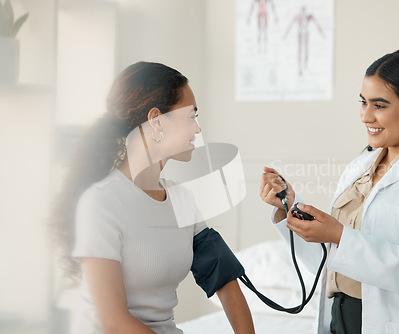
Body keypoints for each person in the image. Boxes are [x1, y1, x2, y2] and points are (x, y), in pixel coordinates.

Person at [260, 49, 399, 334]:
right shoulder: (359, 167)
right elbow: (332, 261)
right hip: (341, 318)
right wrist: (289, 206)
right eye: (363, 103)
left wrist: (339, 235)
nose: (366, 116)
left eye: (380, 105)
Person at [49, 62, 255, 334]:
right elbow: (115, 323)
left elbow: (225, 281)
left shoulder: (183, 200)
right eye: (191, 116)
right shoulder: (100, 203)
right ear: (156, 120)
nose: (197, 129)